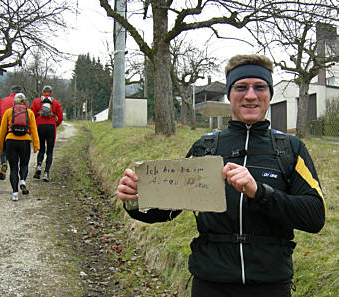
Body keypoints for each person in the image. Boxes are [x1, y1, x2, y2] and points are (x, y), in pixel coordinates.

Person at [116, 54, 326, 297]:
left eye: (259, 87)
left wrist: (260, 192)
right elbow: (168, 210)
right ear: (229, 94)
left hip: (271, 284)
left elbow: (314, 216)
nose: (250, 95)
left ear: (269, 93)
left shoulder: (290, 148)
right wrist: (135, 199)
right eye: (241, 87)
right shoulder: (205, 148)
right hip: (211, 283)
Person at [0, 93, 39, 201]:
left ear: (14, 102)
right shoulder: (29, 113)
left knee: (14, 168)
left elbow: (2, 131)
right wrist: (36, 145)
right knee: (24, 164)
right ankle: (23, 180)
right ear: (24, 102)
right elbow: (34, 130)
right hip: (25, 141)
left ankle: (15, 193)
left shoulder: (8, 112)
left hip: (11, 141)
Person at [30, 85, 63, 182]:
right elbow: (60, 117)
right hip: (51, 127)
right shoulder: (56, 103)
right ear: (51, 93)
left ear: (42, 91)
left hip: (40, 126)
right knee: (50, 151)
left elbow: (32, 114)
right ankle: (46, 173)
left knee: (41, 149)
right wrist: (55, 124)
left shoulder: (36, 102)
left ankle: (39, 166)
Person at [0, 85, 23, 180]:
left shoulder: (3, 100)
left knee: (4, 149)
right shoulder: (22, 102)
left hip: (4, 128)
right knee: (15, 151)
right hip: (17, 131)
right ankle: (16, 169)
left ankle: (4, 162)